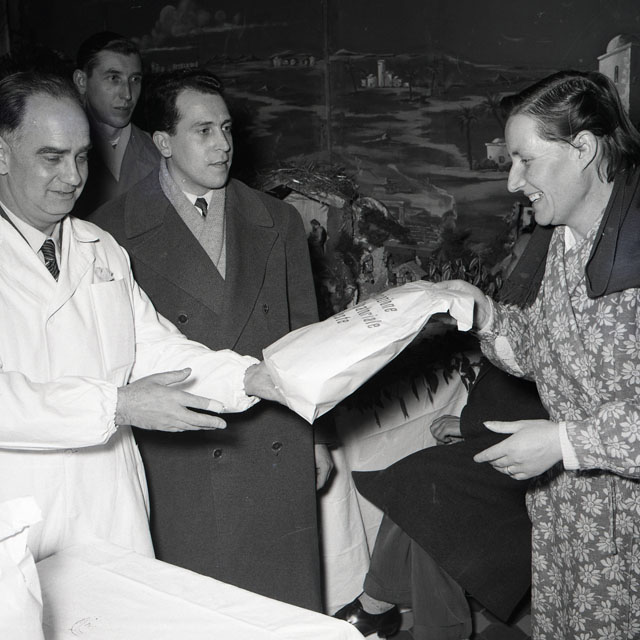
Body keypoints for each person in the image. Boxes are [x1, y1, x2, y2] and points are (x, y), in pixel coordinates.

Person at [0, 70, 279, 564]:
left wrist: (249, 377)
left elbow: (152, 347)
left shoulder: (100, 247)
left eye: (82, 156)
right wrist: (117, 406)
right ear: (2, 153)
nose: (74, 177)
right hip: (20, 505)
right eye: (52, 157)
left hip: (109, 499)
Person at [88, 68, 331, 611]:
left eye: (226, 128)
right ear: (163, 142)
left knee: (283, 608)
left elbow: (306, 338)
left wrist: (318, 436)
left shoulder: (278, 220)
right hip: (182, 454)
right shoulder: (108, 233)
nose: (223, 144)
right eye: (203, 131)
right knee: (202, 610)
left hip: (276, 439)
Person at [431, 71, 640, 639]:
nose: (512, 181)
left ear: (584, 148)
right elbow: (539, 352)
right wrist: (484, 314)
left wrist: (565, 442)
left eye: (525, 160)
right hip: (569, 522)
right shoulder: (561, 243)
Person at [334, 224, 553, 640]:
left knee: (424, 494)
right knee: (423, 497)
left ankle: (387, 609)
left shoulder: (551, 313)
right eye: (514, 255)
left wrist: (469, 426)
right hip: (496, 441)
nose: (512, 264)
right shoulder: (519, 307)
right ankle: (390, 611)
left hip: (535, 452)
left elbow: (537, 401)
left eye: (521, 256)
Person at [72, 31, 160, 216]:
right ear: (81, 81)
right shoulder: (57, 152)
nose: (127, 94)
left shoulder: (160, 153)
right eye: (114, 78)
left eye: (135, 80)